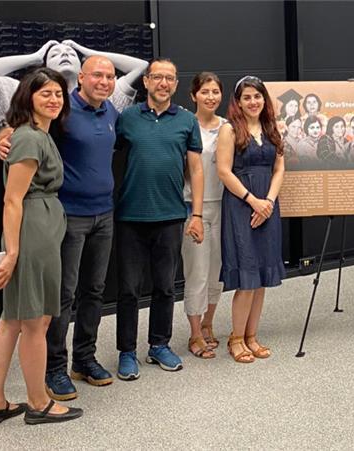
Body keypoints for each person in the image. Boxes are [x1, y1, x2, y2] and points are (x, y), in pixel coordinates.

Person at [0, 56, 121, 401]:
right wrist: (0, 137)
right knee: (61, 297)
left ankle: (85, 359)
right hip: (66, 218)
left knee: (94, 291)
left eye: (110, 76)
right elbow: (20, 135)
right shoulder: (62, 114)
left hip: (103, 214)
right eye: (97, 74)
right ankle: (54, 368)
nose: (104, 81)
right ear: (81, 77)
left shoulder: (110, 113)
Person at [0, 67, 83, 426]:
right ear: (28, 97)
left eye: (58, 93)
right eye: (46, 94)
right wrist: (12, 253)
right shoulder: (27, 137)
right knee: (35, 321)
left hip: (39, 227)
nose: (54, 99)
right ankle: (38, 401)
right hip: (31, 233)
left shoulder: (37, 134)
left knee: (12, 319)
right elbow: (12, 200)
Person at [114, 58, 204, 380]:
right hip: (131, 216)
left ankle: (158, 345)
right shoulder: (126, 118)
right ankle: (126, 351)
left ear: (176, 84)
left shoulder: (187, 121)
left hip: (170, 216)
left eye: (170, 78)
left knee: (165, 287)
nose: (163, 83)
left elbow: (195, 168)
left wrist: (196, 214)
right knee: (128, 289)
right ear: (147, 82)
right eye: (158, 77)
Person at [216, 75, 286, 363]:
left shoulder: (272, 129)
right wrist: (253, 201)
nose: (253, 102)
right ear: (238, 101)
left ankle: (252, 336)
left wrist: (268, 202)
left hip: (268, 207)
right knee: (246, 277)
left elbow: (280, 168)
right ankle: (235, 338)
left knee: (261, 278)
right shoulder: (229, 130)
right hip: (241, 206)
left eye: (257, 96)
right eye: (247, 97)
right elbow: (224, 171)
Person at [0, 39, 147, 132]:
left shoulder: (101, 95)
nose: (64, 55)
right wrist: (35, 57)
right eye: (56, 54)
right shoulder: (30, 94)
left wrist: (90, 54)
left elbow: (140, 66)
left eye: (71, 54)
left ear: (81, 73)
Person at [182, 72, 229, 359]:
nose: (211, 97)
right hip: (192, 208)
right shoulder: (185, 125)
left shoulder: (228, 127)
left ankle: (209, 323)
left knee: (216, 273)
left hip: (223, 206)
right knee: (196, 274)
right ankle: (195, 333)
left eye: (215, 92)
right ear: (193, 95)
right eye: (205, 92)